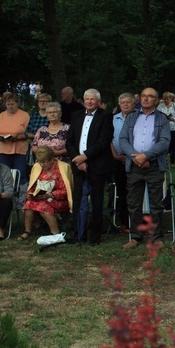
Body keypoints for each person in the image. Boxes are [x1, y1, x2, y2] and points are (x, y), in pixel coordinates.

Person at [120, 87, 171, 249]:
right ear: (139, 98)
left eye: (150, 97)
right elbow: (123, 139)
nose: (146, 99)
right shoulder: (132, 117)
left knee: (156, 204)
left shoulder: (162, 119)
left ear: (156, 100)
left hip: (154, 166)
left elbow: (164, 141)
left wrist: (147, 156)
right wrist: (136, 157)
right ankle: (135, 237)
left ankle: (156, 237)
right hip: (135, 166)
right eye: (143, 96)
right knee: (133, 203)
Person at [66, 88, 113, 245]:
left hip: (97, 165)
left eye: (92, 99)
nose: (89, 101)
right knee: (78, 200)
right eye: (86, 99)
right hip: (78, 166)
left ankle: (95, 237)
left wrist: (85, 157)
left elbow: (103, 142)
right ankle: (79, 234)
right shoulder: (76, 115)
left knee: (97, 201)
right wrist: (77, 160)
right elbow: (69, 141)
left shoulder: (105, 116)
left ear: (98, 101)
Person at [20, 147, 73, 240]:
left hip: (59, 199)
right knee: (28, 204)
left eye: (44, 162)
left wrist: (51, 195)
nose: (41, 164)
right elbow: (32, 186)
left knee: (43, 206)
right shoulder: (37, 167)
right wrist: (30, 194)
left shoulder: (63, 168)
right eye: (40, 162)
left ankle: (55, 233)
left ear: (52, 159)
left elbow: (66, 191)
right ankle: (27, 231)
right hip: (41, 198)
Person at [0, 93, 29, 206]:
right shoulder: (2, 115)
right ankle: (6, 200)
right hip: (4, 149)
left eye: (12, 104)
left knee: (20, 175)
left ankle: (22, 201)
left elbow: (29, 133)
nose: (10, 106)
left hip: (19, 149)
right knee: (5, 175)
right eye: (8, 104)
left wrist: (17, 137)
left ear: (17, 103)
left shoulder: (24, 115)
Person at [110, 93, 135, 232]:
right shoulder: (113, 119)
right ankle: (124, 222)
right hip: (117, 159)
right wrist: (115, 155)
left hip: (134, 159)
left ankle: (138, 219)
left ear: (133, 104)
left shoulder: (138, 118)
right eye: (123, 102)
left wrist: (131, 155)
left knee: (135, 190)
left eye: (128, 102)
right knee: (121, 191)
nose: (125, 104)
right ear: (119, 105)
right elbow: (109, 139)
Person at [157, 92, 175, 166]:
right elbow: (157, 116)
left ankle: (172, 162)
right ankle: (163, 160)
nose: (166, 100)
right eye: (164, 99)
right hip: (163, 128)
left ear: (170, 99)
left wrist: (173, 119)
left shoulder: (174, 106)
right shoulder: (160, 106)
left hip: (173, 128)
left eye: (167, 99)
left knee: (173, 145)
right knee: (164, 144)